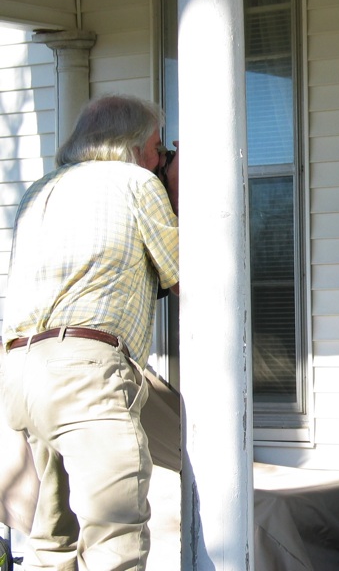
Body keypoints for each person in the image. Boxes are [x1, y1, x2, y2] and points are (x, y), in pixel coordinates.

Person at [0, 94, 180, 569]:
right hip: (85, 375)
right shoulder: (136, 181)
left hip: (21, 373)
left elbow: (105, 273)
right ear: (131, 145)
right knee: (113, 537)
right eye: (158, 147)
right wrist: (180, 201)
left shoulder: (40, 190)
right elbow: (185, 278)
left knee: (50, 538)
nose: (161, 158)